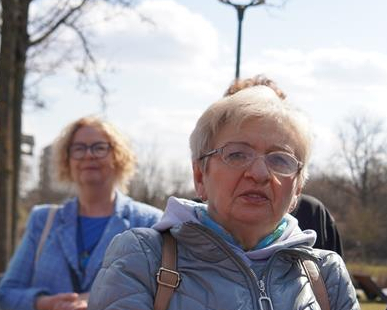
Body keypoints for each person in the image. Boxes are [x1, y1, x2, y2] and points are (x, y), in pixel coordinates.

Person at [88, 86, 359, 310]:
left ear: (297, 188)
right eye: (237, 154)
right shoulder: (144, 257)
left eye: (280, 160)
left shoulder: (326, 274)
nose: (259, 173)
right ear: (200, 175)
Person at [0, 116, 162, 310]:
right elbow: (5, 294)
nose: (88, 155)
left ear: (118, 156)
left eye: (99, 148)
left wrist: (99, 303)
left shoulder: (149, 222)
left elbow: (164, 295)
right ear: (67, 160)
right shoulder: (42, 220)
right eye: (79, 148)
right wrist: (46, 304)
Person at [225, 74, 344, 256]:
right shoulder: (188, 223)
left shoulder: (311, 214)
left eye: (277, 156)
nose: (258, 172)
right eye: (239, 154)